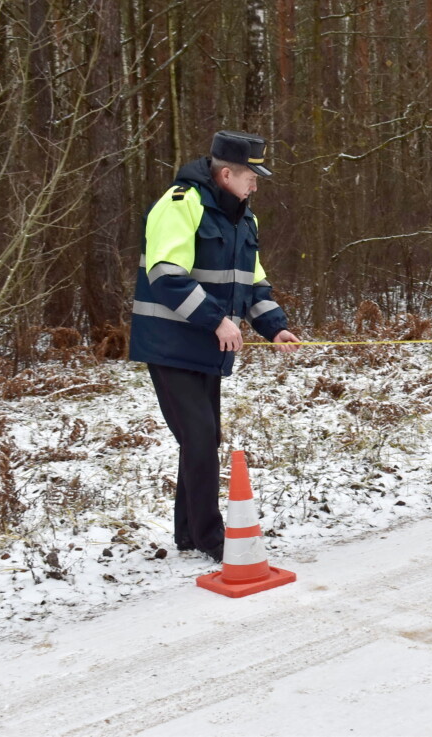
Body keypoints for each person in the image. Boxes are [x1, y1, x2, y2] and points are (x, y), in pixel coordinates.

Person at [129, 130, 299, 560]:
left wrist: (274, 327)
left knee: (202, 438)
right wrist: (217, 320)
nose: (255, 185)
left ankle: (188, 533)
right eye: (250, 177)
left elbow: (252, 282)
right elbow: (165, 274)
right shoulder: (180, 204)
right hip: (170, 343)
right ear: (226, 174)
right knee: (201, 436)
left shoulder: (244, 218)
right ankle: (210, 537)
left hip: (208, 346)